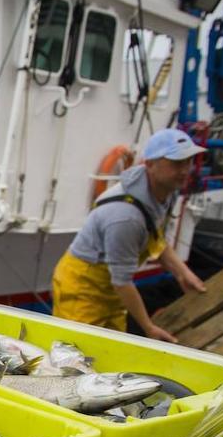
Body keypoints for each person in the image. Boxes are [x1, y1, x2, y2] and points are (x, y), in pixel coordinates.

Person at [52, 128, 208, 342]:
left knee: (111, 348)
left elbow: (156, 238)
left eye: (188, 162)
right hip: (84, 287)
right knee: (76, 352)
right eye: (176, 163)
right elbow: (122, 281)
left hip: (111, 288)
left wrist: (182, 273)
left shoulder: (166, 192)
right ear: (150, 164)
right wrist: (148, 328)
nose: (184, 170)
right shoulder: (125, 216)